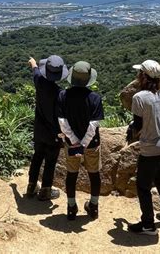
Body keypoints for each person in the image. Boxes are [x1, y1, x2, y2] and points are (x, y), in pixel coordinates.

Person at [127, 60, 160, 235]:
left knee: (143, 186)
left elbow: (138, 125)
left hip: (151, 148)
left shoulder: (139, 97)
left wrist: (130, 130)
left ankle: (148, 224)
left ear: (143, 75)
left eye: (139, 72)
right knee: (159, 179)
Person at [57, 61, 104, 220]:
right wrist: (83, 143)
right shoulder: (95, 98)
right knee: (94, 175)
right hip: (92, 143)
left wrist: (75, 141)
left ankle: (71, 208)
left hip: (71, 144)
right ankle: (94, 207)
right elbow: (93, 124)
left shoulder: (63, 95)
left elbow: (62, 122)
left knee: (71, 175)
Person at [26, 55, 68, 201]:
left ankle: (31, 186)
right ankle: (45, 190)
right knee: (50, 161)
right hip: (54, 134)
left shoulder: (39, 82)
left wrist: (33, 62)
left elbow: (35, 69)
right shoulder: (61, 94)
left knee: (37, 156)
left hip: (39, 130)